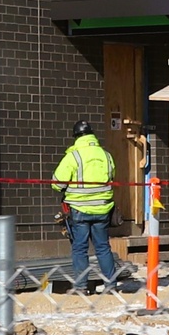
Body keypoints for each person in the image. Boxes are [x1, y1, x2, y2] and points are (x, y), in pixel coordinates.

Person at [52, 120, 118, 294]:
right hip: (103, 209)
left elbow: (57, 183)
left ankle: (81, 287)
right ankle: (111, 286)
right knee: (103, 247)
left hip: (80, 209)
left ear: (76, 137)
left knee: (80, 248)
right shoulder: (106, 155)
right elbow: (112, 176)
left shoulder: (74, 156)